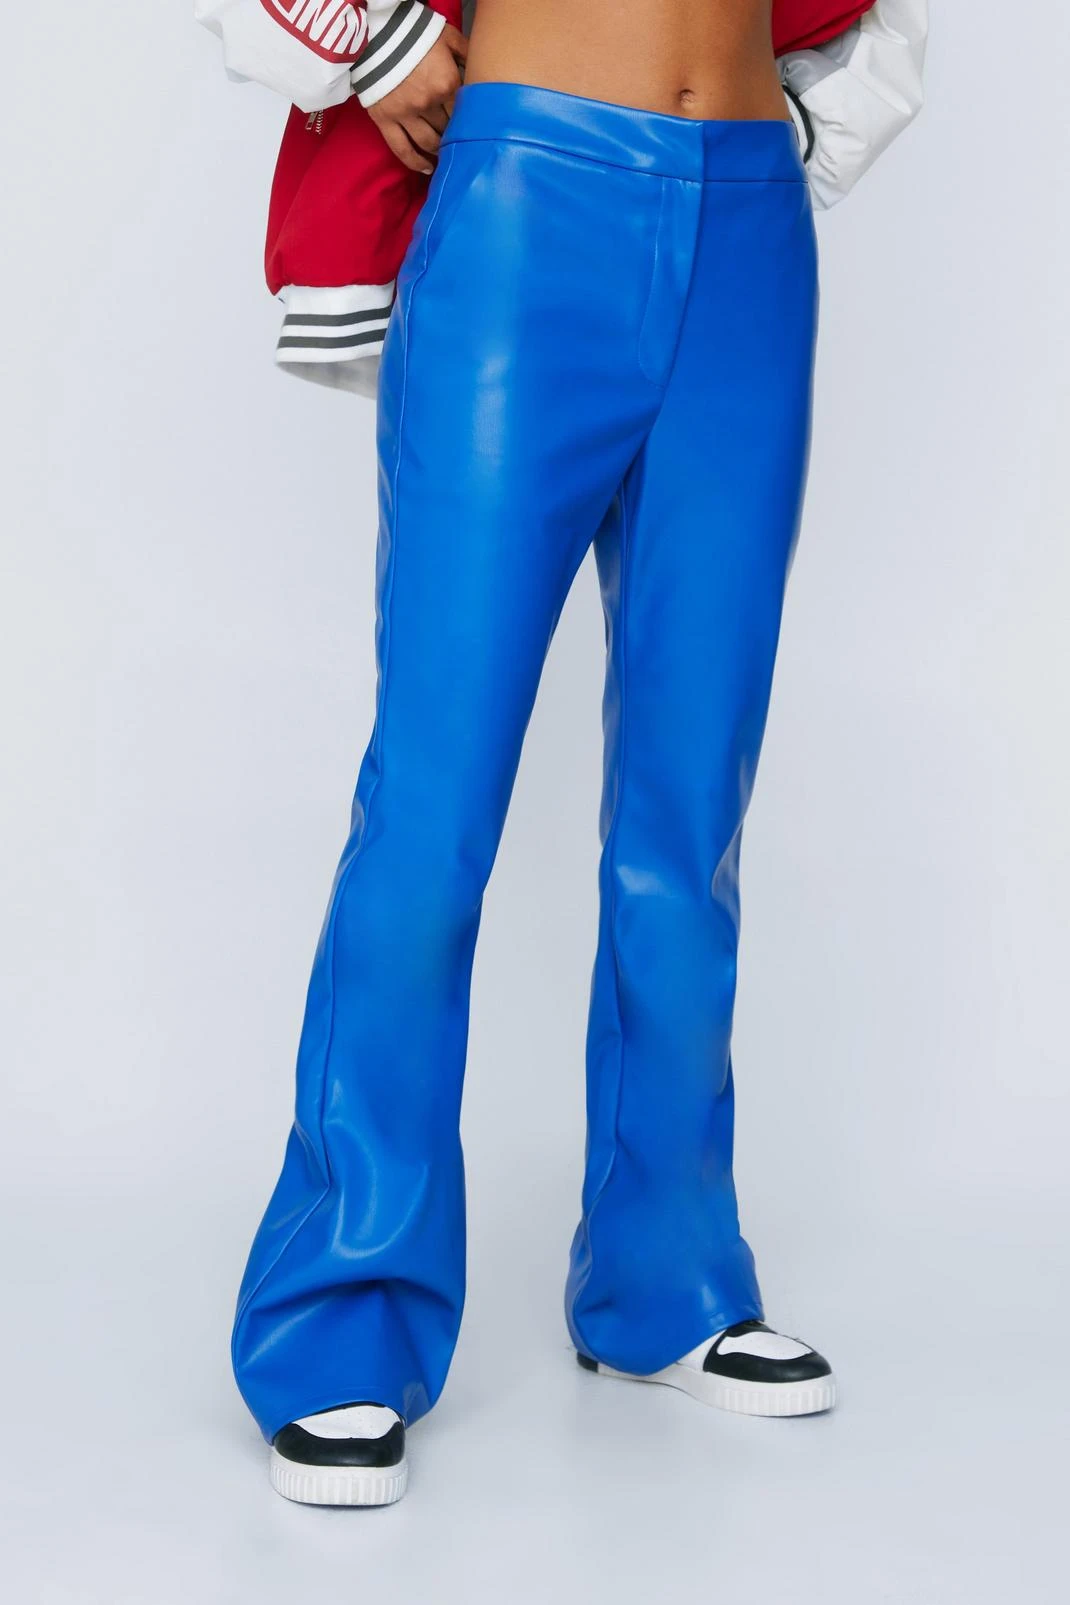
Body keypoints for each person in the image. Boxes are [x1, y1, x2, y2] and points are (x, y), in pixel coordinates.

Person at [197, 0, 928, 1507]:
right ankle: (339, 1316)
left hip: (749, 216)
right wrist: (374, 43)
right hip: (532, 200)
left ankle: (666, 1280)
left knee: (688, 812)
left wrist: (797, 135)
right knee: (434, 802)